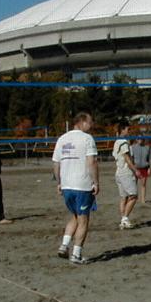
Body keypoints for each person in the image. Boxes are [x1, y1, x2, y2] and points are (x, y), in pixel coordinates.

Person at [53, 112, 99, 264]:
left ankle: (64, 246)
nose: (91, 125)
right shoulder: (87, 139)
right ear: (82, 122)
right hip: (82, 185)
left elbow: (56, 163)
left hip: (67, 185)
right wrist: (96, 182)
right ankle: (76, 254)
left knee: (75, 215)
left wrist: (59, 182)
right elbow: (91, 162)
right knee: (83, 220)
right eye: (90, 122)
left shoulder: (62, 139)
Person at [113, 120, 139, 229]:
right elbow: (127, 159)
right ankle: (125, 218)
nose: (129, 131)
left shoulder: (117, 141)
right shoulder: (123, 142)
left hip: (119, 172)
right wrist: (135, 170)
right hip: (125, 172)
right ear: (123, 129)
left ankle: (123, 220)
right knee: (133, 195)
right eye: (128, 129)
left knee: (123, 197)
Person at [131, 137, 151, 203]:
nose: (140, 140)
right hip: (135, 168)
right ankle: (133, 198)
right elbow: (131, 158)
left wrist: (149, 168)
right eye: (138, 139)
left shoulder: (147, 148)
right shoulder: (132, 147)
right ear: (136, 139)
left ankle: (143, 200)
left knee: (143, 184)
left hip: (144, 168)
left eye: (141, 139)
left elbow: (148, 159)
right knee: (133, 184)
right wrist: (133, 168)